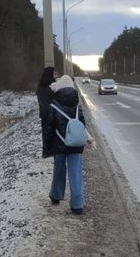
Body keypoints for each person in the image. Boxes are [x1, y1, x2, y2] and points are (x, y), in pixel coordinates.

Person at [43, 74, 85, 215]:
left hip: (59, 145)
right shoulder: (77, 106)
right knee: (76, 173)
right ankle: (77, 205)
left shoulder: (53, 105)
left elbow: (48, 128)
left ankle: (55, 196)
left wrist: (47, 148)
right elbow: (82, 125)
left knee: (59, 170)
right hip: (75, 145)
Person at [36, 66, 57, 158]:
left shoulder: (40, 87)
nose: (55, 75)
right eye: (54, 73)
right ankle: (50, 151)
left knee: (45, 133)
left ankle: (45, 152)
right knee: (52, 132)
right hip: (52, 113)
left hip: (44, 113)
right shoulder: (51, 87)